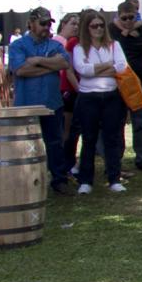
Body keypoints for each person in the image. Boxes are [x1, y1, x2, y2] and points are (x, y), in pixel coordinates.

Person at [9, 7, 74, 195]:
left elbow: (64, 63)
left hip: (52, 103)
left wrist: (36, 60)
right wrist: (49, 66)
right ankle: (27, 181)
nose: (47, 27)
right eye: (43, 23)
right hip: (27, 105)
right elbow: (20, 70)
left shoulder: (54, 44)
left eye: (49, 23)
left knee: (55, 143)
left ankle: (59, 180)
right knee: (26, 145)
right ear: (31, 23)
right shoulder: (18, 45)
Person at [71, 11, 129, 194]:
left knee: (112, 138)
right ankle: (86, 180)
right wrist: (107, 66)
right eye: (94, 26)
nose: (98, 29)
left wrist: (96, 69)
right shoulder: (79, 48)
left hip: (111, 96)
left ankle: (114, 178)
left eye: (101, 25)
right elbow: (82, 70)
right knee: (89, 138)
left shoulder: (114, 45)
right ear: (86, 28)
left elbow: (121, 66)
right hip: (89, 97)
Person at [109, 0, 142, 172]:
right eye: (124, 18)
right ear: (119, 17)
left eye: (132, 17)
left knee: (140, 123)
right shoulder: (112, 31)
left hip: (141, 83)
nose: (128, 21)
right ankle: (116, 160)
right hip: (120, 84)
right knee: (118, 123)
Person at [56, 12, 82, 177]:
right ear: (64, 23)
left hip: (75, 88)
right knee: (68, 129)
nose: (76, 27)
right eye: (73, 23)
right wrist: (79, 89)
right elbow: (68, 70)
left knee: (75, 129)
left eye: (78, 24)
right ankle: (66, 163)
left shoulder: (75, 41)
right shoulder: (62, 42)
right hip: (67, 89)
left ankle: (71, 162)